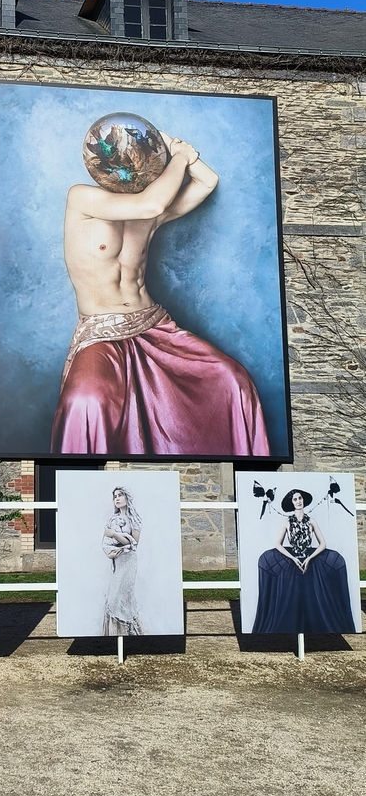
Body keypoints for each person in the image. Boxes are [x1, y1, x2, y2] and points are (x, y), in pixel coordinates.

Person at [51, 131, 270, 456]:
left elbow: (207, 181)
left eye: (135, 156)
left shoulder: (150, 216)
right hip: (101, 332)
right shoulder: (83, 198)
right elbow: (151, 203)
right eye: (121, 157)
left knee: (231, 378)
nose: (128, 165)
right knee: (86, 400)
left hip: (153, 325)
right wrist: (180, 158)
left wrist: (170, 143)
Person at [252, 488, 355, 634]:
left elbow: (322, 544)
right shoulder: (286, 522)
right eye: (295, 499)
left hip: (310, 564)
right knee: (289, 598)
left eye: (300, 498)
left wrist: (310, 558)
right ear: (292, 503)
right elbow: (278, 544)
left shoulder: (312, 521)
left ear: (303, 500)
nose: (298, 501)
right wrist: (293, 558)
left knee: (317, 594)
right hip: (292, 564)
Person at [102, 486, 144, 636]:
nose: (117, 499)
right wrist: (110, 554)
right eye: (115, 496)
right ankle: (113, 634)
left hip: (129, 562)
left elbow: (134, 543)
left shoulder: (134, 519)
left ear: (127, 497)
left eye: (120, 495)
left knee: (124, 597)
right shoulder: (112, 520)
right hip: (117, 563)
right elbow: (105, 542)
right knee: (113, 598)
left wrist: (114, 534)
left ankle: (130, 633)